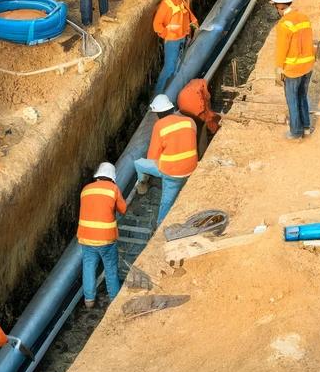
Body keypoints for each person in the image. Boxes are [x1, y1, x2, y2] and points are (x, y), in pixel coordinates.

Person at [134, 94, 199, 227]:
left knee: (139, 163)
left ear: (158, 113)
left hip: (172, 173)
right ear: (171, 108)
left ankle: (143, 187)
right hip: (192, 168)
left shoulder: (160, 126)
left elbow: (152, 156)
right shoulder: (189, 121)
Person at [77, 162, 127, 309]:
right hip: (106, 239)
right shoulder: (113, 189)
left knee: (88, 268)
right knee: (110, 269)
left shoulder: (85, 189)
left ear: (98, 176)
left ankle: (89, 301)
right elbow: (123, 209)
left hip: (86, 238)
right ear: (112, 177)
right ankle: (114, 300)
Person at [270, 0, 315, 140]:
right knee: (302, 96)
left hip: (293, 69)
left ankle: (296, 132)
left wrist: (279, 69)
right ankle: (306, 127)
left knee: (292, 100)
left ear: (279, 6)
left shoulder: (284, 25)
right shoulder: (304, 18)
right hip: (308, 66)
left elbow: (282, 50)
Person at [153, 0, 199, 93]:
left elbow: (188, 15)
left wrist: (194, 24)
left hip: (183, 37)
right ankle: (157, 94)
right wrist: (166, 33)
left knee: (178, 65)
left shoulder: (182, 0)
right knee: (169, 68)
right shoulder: (166, 4)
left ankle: (171, 90)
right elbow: (157, 25)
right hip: (172, 41)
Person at [177, 77, 220, 157]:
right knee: (203, 124)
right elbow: (209, 118)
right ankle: (200, 153)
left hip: (183, 102)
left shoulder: (194, 86)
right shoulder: (200, 93)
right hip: (194, 103)